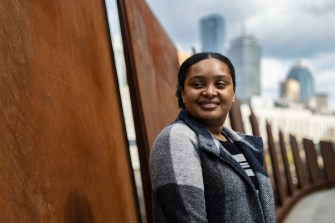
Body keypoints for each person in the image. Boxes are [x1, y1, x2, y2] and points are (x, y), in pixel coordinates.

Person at [149, 52, 276, 223]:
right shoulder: (177, 139)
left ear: (233, 94)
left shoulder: (241, 144)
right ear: (183, 93)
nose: (210, 92)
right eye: (198, 84)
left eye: (220, 84)